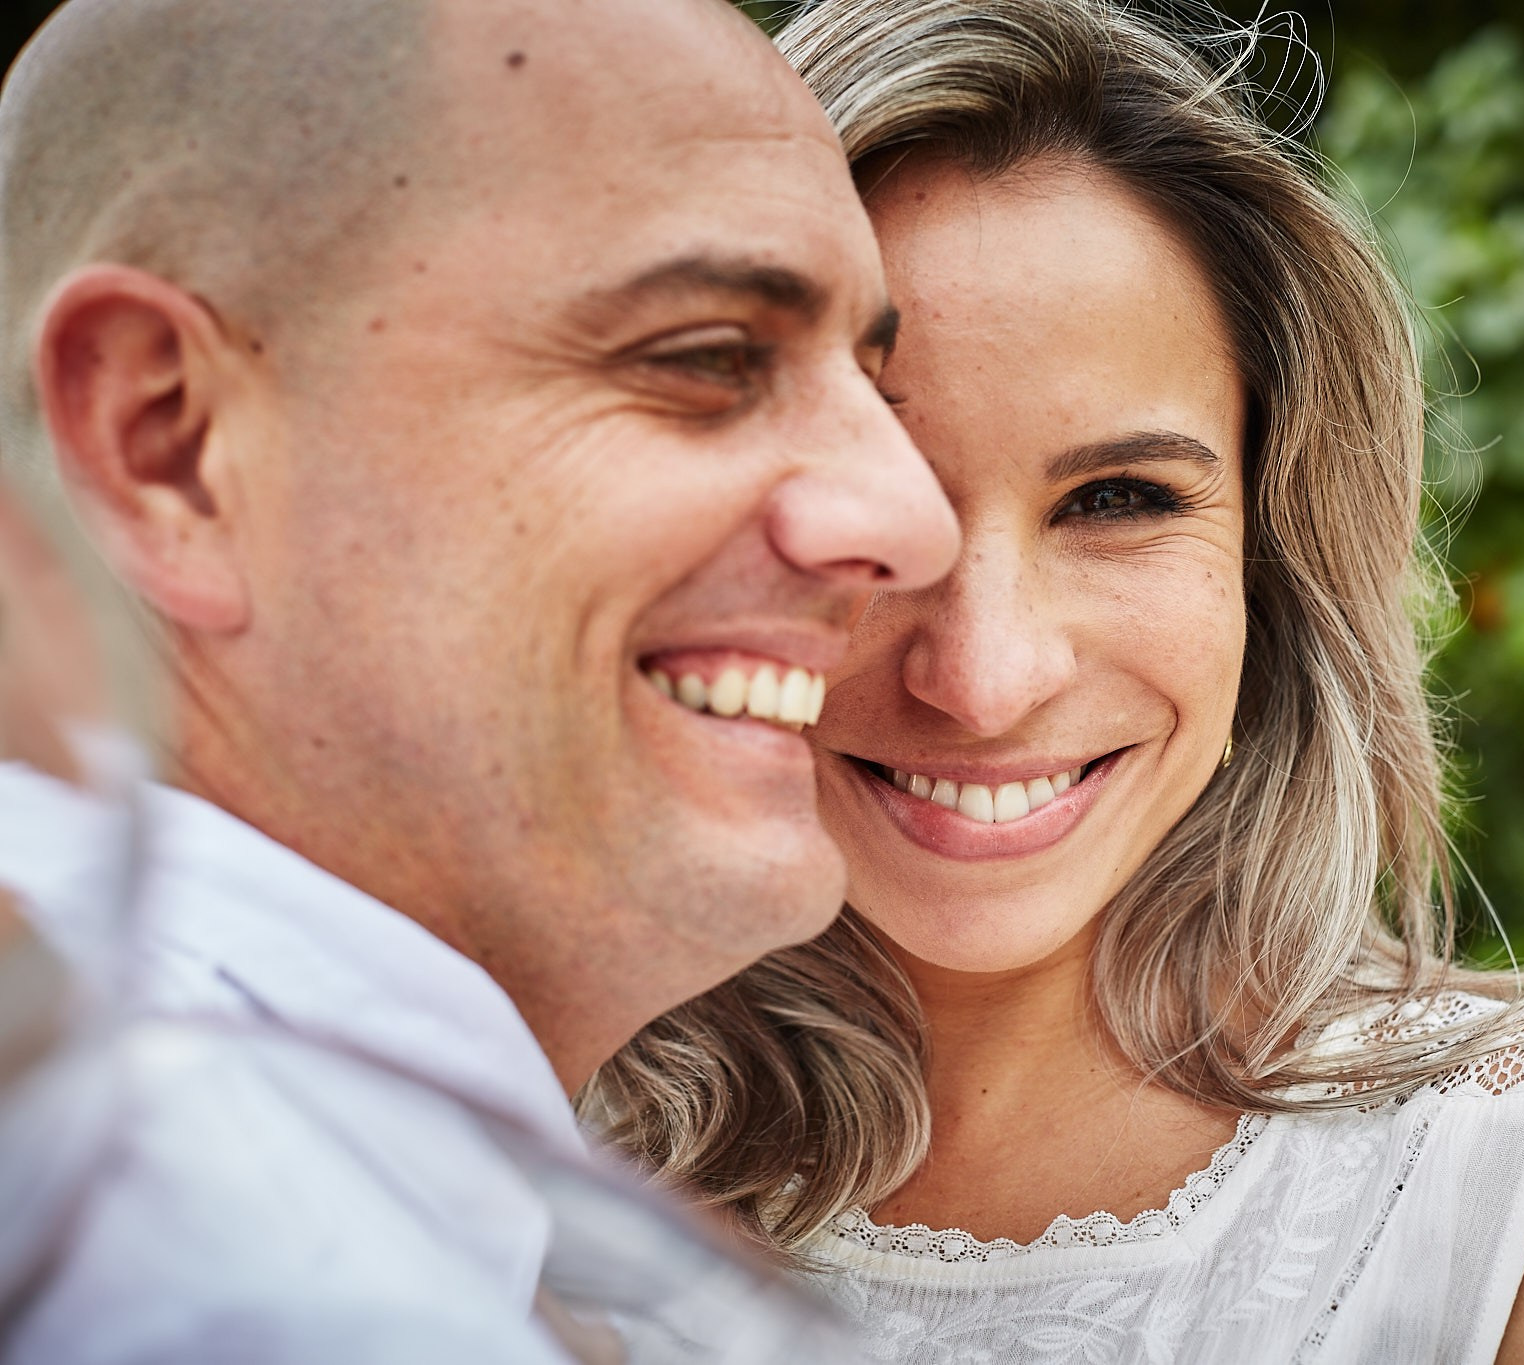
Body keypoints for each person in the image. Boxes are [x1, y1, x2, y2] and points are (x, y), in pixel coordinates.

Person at [588, 1, 1524, 1360]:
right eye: (881, 501)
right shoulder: (452, 1123)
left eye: (1115, 497)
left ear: (1270, 558)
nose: (984, 677)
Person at [0, 0, 958, 1358]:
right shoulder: (219, 1266)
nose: (915, 523)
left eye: (871, 385)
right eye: (708, 360)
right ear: (170, 444)